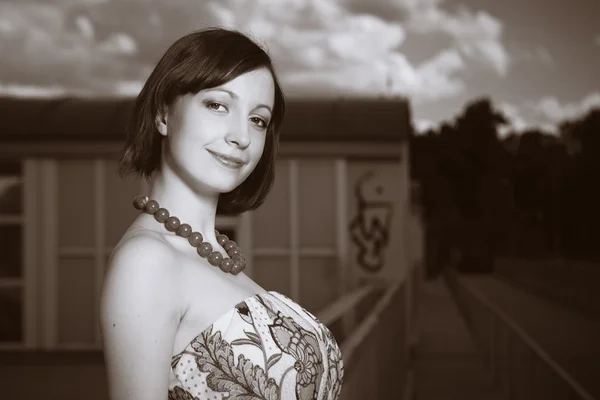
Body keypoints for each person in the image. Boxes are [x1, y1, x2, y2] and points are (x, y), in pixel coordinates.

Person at [99, 28, 344, 400]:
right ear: (163, 113)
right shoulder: (147, 261)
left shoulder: (214, 256)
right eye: (217, 105)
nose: (241, 136)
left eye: (258, 120)